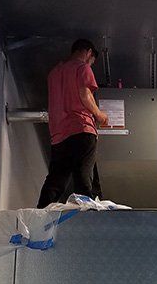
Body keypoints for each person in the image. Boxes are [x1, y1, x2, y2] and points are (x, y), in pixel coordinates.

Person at [36, 39, 109, 208]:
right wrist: (100, 115)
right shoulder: (82, 67)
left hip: (58, 134)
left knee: (56, 179)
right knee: (84, 175)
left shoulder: (54, 73)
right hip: (81, 128)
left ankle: (41, 212)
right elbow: (85, 95)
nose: (90, 64)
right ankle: (87, 215)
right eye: (92, 61)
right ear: (89, 52)